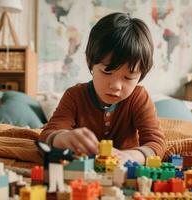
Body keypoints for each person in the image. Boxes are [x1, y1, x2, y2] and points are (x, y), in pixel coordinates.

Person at [40, 12, 166, 164]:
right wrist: (62, 137)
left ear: (141, 75)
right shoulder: (75, 96)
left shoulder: (139, 98)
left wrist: (132, 156)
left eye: (128, 77)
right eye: (107, 71)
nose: (116, 86)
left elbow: (156, 143)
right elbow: (48, 134)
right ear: (90, 61)